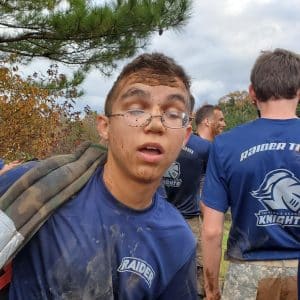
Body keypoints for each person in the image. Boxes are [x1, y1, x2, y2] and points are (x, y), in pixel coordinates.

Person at [0, 53, 198, 299]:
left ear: (185, 135)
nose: (156, 124)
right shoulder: (33, 188)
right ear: (105, 127)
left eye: (173, 113)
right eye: (136, 109)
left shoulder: (177, 242)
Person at [201, 48, 300, 300]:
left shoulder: (226, 145)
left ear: (252, 93)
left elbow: (212, 231)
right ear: (298, 90)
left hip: (247, 274)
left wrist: (212, 289)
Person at [162, 96, 211, 299]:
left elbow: (207, 180)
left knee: (196, 262)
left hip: (188, 216)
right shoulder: (158, 139)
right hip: (161, 215)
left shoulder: (203, 147)